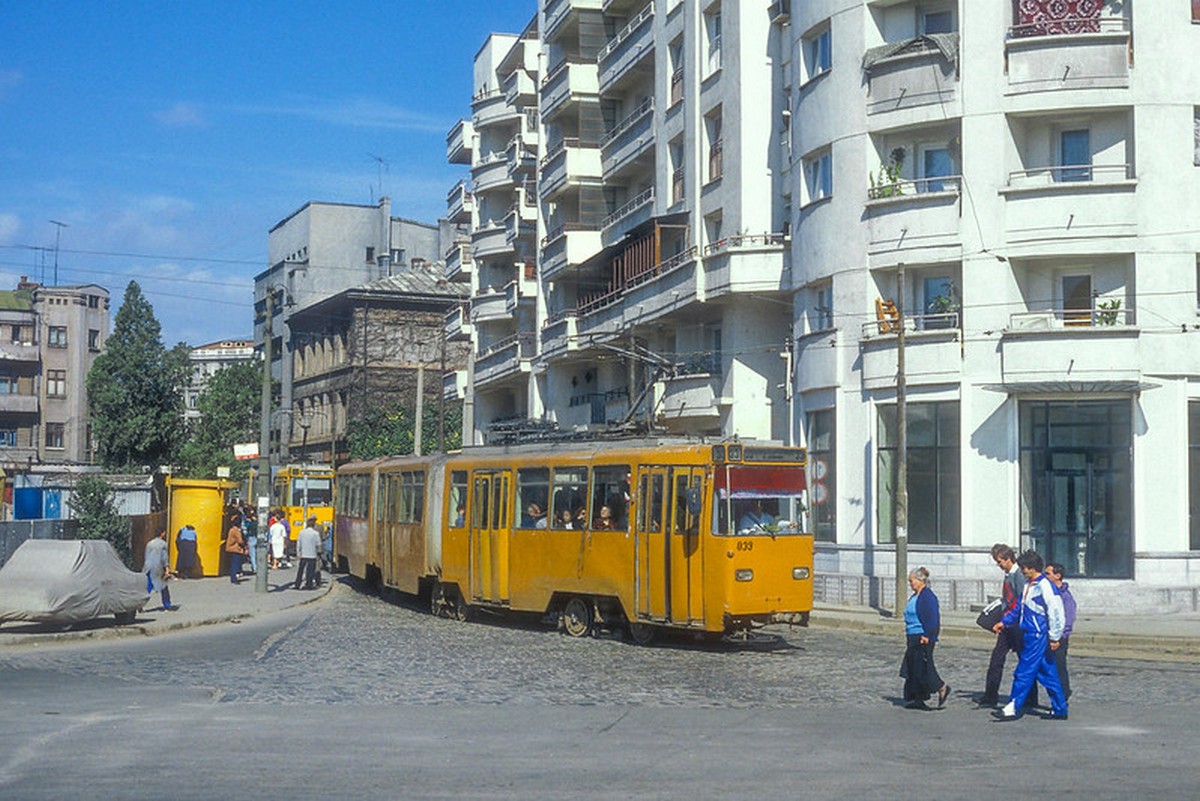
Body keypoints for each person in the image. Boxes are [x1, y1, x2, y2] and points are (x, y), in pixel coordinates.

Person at [991, 550, 1069, 722]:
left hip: (1037, 634)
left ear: (1032, 568)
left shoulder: (1044, 586)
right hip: (1031, 633)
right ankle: (1060, 708)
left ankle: (1013, 707)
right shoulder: (1029, 585)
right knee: (1048, 673)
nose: (1022, 571)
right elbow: (1019, 608)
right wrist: (1005, 622)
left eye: (1024, 568)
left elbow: (1056, 612)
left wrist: (1055, 636)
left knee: (1023, 671)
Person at [977, 543, 1037, 709]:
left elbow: (1021, 600)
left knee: (1024, 661)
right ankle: (990, 696)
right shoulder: (1009, 574)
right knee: (996, 659)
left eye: (1000, 561)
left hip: (1016, 625)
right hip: (1007, 623)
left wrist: (1011, 620)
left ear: (1008, 558)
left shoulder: (1019, 575)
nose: (999, 565)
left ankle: (1031, 697)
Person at [899, 566, 950, 710]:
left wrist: (927, 635)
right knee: (914, 668)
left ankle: (941, 687)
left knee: (924, 667)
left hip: (922, 635)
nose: (910, 584)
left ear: (920, 580)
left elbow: (933, 618)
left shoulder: (927, 597)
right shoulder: (915, 596)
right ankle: (917, 698)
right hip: (912, 635)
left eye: (912, 581)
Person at [1045, 562, 1076, 700]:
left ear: (1057, 576)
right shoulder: (1048, 592)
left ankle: (1063, 694)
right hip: (1047, 635)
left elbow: (1069, 618)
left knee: (1059, 667)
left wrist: (1059, 637)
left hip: (1059, 639)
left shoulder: (1065, 596)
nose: (1045, 576)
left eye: (1048, 573)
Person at [144, 529, 174, 611]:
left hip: (148, 567)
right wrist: (167, 569)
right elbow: (164, 558)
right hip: (158, 567)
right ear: (162, 533)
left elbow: (146, 556)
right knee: (163, 586)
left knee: (148, 587)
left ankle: (140, 604)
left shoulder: (149, 543)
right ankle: (167, 605)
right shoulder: (163, 544)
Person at [294, 515, 322, 590]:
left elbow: (298, 544)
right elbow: (318, 544)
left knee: (300, 570)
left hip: (303, 555)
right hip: (312, 555)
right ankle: (309, 585)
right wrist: (318, 552)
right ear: (313, 525)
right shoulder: (315, 533)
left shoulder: (301, 532)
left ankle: (297, 584)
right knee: (310, 571)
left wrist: (298, 553)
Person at [225, 515, 248, 585]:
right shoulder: (236, 531)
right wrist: (244, 544)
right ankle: (234, 579)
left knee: (233, 564)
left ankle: (233, 578)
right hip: (236, 549)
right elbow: (240, 541)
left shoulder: (231, 529)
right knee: (235, 564)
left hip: (231, 548)